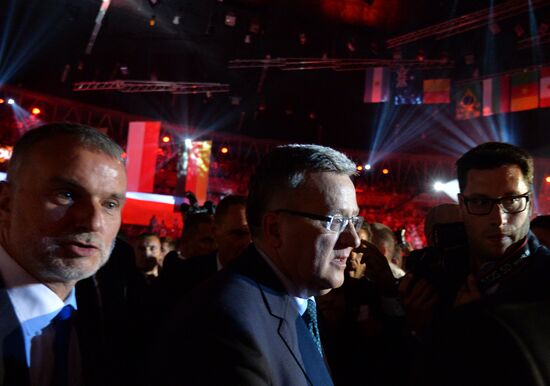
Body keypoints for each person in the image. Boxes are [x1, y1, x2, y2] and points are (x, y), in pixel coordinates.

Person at [150, 144, 361, 386]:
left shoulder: (302, 303)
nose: (353, 239)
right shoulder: (226, 322)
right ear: (275, 229)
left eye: (354, 220)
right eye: (336, 221)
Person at [0, 123, 127, 386]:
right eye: (66, 195)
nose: (93, 222)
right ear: (6, 202)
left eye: (110, 204)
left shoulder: (113, 317)